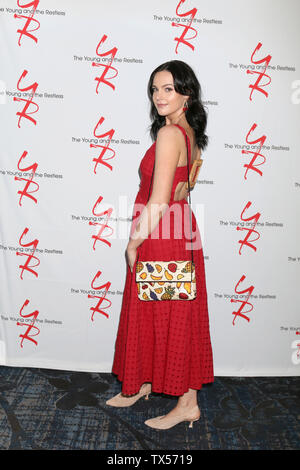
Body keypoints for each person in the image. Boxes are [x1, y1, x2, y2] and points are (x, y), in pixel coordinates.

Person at [106, 60, 214, 430]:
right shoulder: (187, 132)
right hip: (179, 230)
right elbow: (183, 187)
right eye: (155, 89)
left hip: (163, 235)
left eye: (168, 88)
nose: (159, 96)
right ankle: (145, 382)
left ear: (187, 93)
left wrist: (133, 242)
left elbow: (158, 200)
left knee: (170, 314)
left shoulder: (170, 135)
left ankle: (187, 403)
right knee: (162, 310)